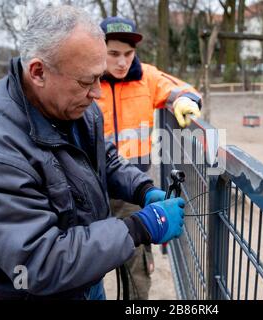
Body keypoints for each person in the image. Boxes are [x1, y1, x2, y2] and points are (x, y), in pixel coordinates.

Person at [0, 5, 185, 300]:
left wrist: (142, 188)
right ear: (38, 72)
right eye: (87, 81)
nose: (97, 93)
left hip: (86, 280)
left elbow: (105, 159)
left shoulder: (74, 105)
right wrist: (138, 227)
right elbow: (39, 263)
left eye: (99, 77)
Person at [97, 16, 202, 300]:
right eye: (114, 54)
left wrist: (183, 100)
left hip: (132, 189)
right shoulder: (87, 79)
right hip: (90, 187)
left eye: (128, 54)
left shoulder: (147, 76)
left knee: (135, 260)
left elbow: (184, 89)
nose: (122, 62)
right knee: (83, 258)